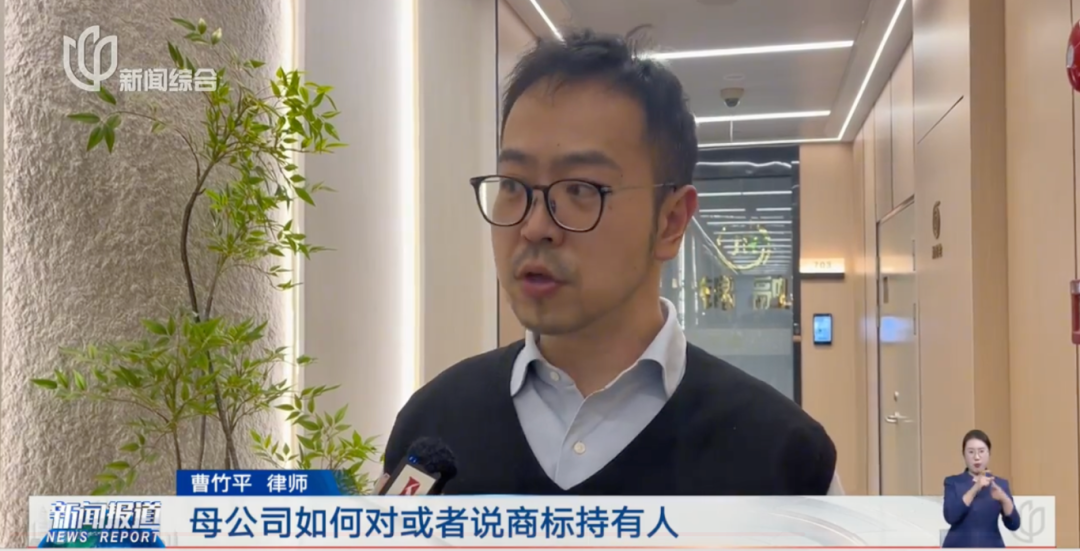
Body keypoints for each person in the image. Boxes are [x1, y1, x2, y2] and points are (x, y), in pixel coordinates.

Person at [381, 27, 838, 495]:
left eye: (580, 189)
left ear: (670, 221)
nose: (534, 226)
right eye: (514, 185)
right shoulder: (432, 424)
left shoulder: (783, 457)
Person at [942, 430, 1021, 547]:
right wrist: (975, 488)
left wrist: (1004, 499)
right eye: (971, 452)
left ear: (989, 453)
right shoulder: (953, 482)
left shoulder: (1000, 484)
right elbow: (951, 517)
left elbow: (1014, 525)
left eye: (981, 451)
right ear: (964, 454)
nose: (977, 457)